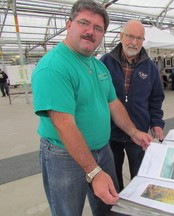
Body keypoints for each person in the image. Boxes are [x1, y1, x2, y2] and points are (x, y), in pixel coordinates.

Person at [31, 1, 152, 216]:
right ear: (69, 25)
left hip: (102, 150)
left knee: (109, 208)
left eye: (98, 28)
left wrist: (134, 132)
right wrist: (94, 172)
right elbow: (64, 124)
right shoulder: (54, 66)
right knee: (68, 212)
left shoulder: (97, 65)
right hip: (63, 156)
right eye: (84, 23)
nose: (90, 31)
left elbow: (113, 103)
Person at [100, 20, 165, 191]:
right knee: (113, 176)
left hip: (139, 132)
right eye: (130, 36)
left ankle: (136, 204)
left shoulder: (150, 68)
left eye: (139, 38)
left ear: (143, 41)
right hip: (110, 132)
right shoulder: (105, 62)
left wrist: (156, 122)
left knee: (140, 175)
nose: (134, 42)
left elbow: (156, 98)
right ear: (121, 37)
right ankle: (118, 205)